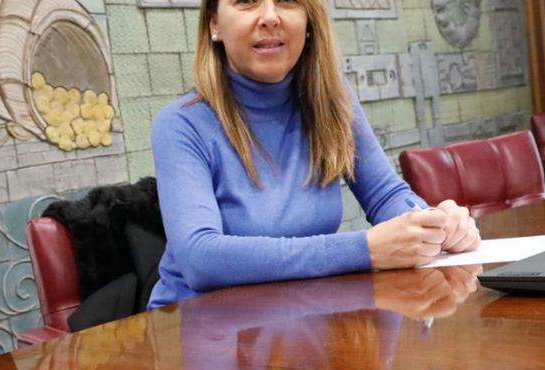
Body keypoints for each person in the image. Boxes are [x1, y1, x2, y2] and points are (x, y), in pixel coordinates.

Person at [148, 0, 481, 308]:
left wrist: (433, 224)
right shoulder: (181, 124)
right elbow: (200, 259)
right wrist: (365, 250)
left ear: (309, 20)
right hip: (197, 328)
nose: (269, 17)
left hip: (298, 314)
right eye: (246, 0)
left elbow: (385, 196)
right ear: (214, 25)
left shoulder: (333, 100)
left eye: (288, 0)